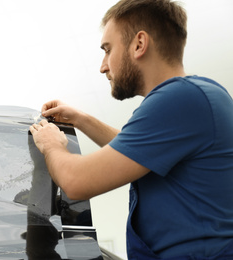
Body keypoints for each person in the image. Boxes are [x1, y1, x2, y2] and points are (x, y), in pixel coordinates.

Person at [29, 0, 233, 259]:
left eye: (107, 49)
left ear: (139, 44)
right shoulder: (197, 96)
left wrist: (51, 145)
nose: (103, 66)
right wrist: (81, 119)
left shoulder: (178, 99)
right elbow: (139, 152)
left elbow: (75, 182)